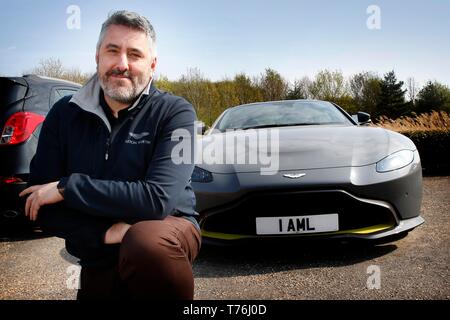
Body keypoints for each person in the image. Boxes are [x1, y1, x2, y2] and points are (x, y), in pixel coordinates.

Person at [19, 10, 201, 300]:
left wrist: (67, 187)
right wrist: (106, 233)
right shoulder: (64, 114)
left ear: (153, 65)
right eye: (113, 51)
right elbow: (38, 204)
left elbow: (157, 200)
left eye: (135, 54)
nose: (122, 64)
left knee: (144, 242)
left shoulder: (177, 114)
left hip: (167, 230)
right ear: (97, 57)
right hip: (98, 248)